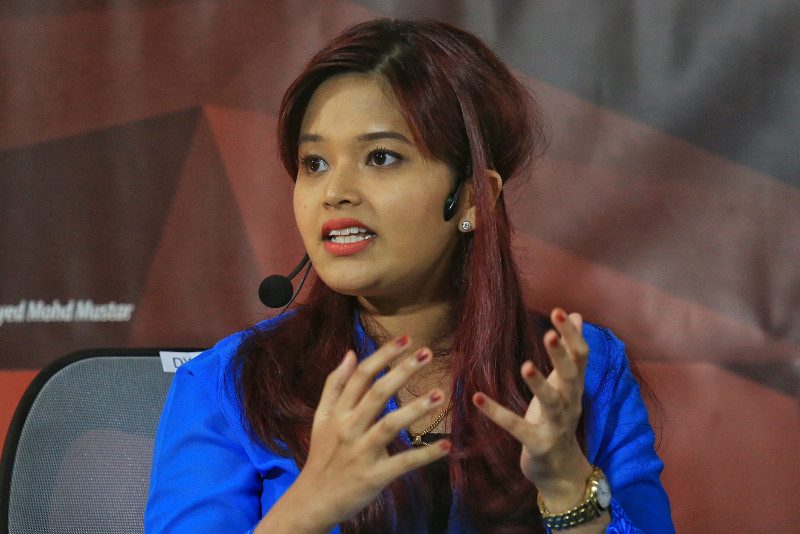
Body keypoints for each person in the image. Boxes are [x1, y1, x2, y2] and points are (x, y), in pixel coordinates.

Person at [145, 18, 674, 534]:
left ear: (472, 198)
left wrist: (568, 489)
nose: (335, 192)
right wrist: (304, 511)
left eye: (380, 157)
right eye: (314, 163)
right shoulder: (230, 384)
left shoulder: (582, 377)